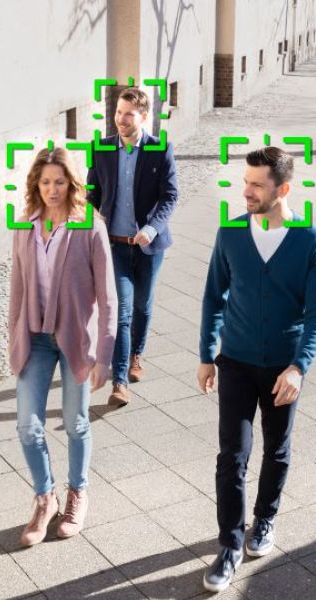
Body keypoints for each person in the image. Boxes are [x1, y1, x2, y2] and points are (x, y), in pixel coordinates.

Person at [197, 147, 316, 592]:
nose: (247, 191)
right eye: (246, 181)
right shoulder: (231, 233)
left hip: (282, 367)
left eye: (257, 184)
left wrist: (299, 367)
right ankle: (230, 545)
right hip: (234, 361)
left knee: (276, 450)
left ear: (283, 189)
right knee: (231, 457)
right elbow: (213, 296)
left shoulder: (311, 240)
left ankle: (265, 521)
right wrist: (205, 354)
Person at [9, 148, 115, 546]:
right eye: (45, 182)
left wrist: (105, 354)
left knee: (75, 421)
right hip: (34, 340)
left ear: (72, 184)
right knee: (26, 425)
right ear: (36, 183)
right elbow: (18, 287)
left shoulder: (90, 225)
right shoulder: (24, 225)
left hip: (75, 338)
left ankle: (77, 494)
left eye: (59, 182)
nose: (52, 189)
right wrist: (14, 341)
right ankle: (44, 497)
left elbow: (108, 298)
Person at [86, 87, 179, 407]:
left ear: (143, 116)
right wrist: (92, 218)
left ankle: (136, 353)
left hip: (150, 246)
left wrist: (152, 228)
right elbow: (92, 191)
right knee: (122, 311)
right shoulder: (101, 148)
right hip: (114, 245)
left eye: (128, 114)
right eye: (117, 112)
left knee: (143, 305)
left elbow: (170, 196)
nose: (120, 119)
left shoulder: (159, 149)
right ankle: (120, 380)